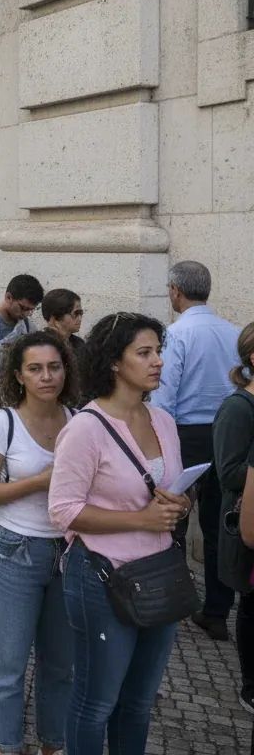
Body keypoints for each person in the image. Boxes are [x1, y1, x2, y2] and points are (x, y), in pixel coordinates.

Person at [49, 312, 189, 755]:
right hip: (102, 576)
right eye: (144, 353)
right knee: (97, 702)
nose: (158, 362)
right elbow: (63, 511)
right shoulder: (85, 429)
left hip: (159, 571)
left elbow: (165, 490)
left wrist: (178, 504)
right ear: (114, 362)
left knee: (140, 702)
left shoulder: (162, 420)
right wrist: (140, 520)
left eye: (158, 352)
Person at [0, 331, 76, 755]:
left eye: (54, 366)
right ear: (19, 375)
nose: (47, 376)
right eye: (35, 368)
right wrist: (37, 482)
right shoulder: (2, 422)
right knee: (8, 665)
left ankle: (54, 745)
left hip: (68, 552)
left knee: (60, 666)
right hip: (16, 549)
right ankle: (7, 745)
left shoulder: (78, 419)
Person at [149, 260, 240, 641]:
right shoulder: (234, 333)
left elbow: (164, 397)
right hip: (228, 432)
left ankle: (174, 598)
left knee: (174, 518)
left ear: (175, 291)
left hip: (184, 434)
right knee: (221, 520)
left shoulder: (175, 335)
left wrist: (160, 441)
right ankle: (217, 610)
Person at [213, 322, 254, 712]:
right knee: (252, 604)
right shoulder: (238, 408)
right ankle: (249, 684)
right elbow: (228, 471)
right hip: (246, 521)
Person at [0, 273, 44, 393]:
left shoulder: (28, 327)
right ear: (8, 297)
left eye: (31, 310)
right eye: (23, 308)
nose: (26, 314)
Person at [42, 288, 88, 402]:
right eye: (76, 313)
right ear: (55, 319)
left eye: (81, 313)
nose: (80, 318)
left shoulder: (79, 344)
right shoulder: (41, 346)